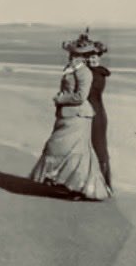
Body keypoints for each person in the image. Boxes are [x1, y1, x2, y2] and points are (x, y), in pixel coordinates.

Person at [29, 32, 112, 200]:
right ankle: (69, 183)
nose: (73, 57)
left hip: (85, 114)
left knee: (85, 151)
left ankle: (89, 187)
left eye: (77, 55)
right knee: (70, 149)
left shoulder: (89, 73)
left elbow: (81, 95)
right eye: (72, 54)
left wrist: (61, 98)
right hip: (74, 113)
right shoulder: (76, 70)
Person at [87, 39, 112, 190]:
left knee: (98, 148)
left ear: (99, 57)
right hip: (96, 112)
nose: (92, 59)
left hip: (95, 114)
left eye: (94, 56)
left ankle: (103, 184)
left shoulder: (96, 75)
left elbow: (87, 94)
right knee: (96, 147)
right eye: (89, 56)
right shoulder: (95, 72)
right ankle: (102, 184)